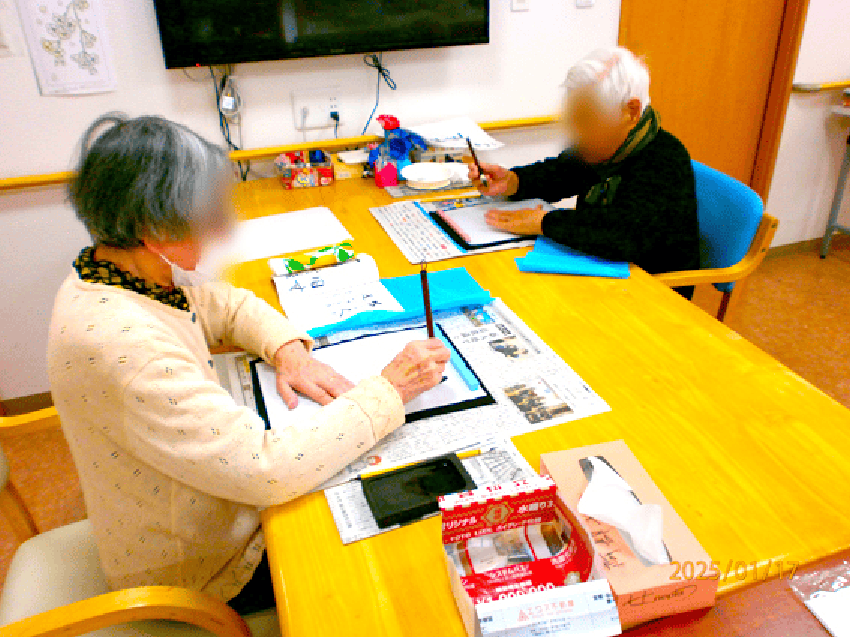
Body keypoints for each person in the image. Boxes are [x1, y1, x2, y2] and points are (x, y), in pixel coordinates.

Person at [47, 113, 450, 615]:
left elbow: (227, 305)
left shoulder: (117, 270)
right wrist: (389, 389)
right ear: (154, 230)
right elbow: (268, 468)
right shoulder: (124, 345)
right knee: (402, 555)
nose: (218, 232)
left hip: (208, 511)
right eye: (205, 216)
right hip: (202, 573)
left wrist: (289, 351)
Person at [469, 46, 699, 298]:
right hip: (602, 275)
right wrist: (513, 181)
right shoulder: (605, 147)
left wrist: (544, 222)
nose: (576, 132)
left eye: (586, 120)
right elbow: (560, 173)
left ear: (630, 112)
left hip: (651, 291)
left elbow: (622, 234)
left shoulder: (665, 159)